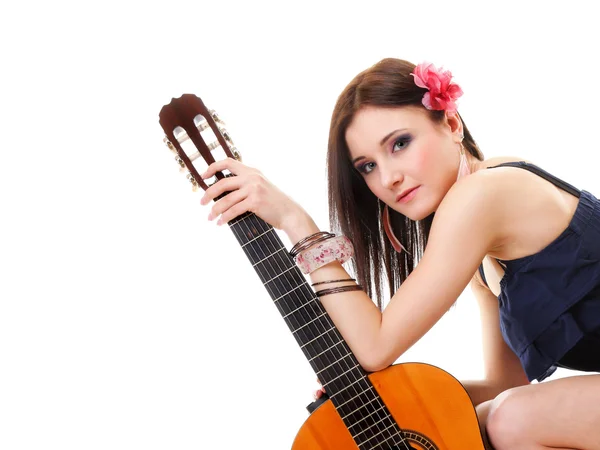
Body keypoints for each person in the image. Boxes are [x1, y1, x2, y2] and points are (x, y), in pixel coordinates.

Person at [199, 58, 600, 450]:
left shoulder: (483, 195)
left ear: (452, 123)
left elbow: (375, 347)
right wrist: (385, 399)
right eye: (368, 166)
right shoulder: (484, 262)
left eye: (400, 143)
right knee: (485, 418)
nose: (388, 177)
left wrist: (295, 220)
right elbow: (503, 384)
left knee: (508, 419)